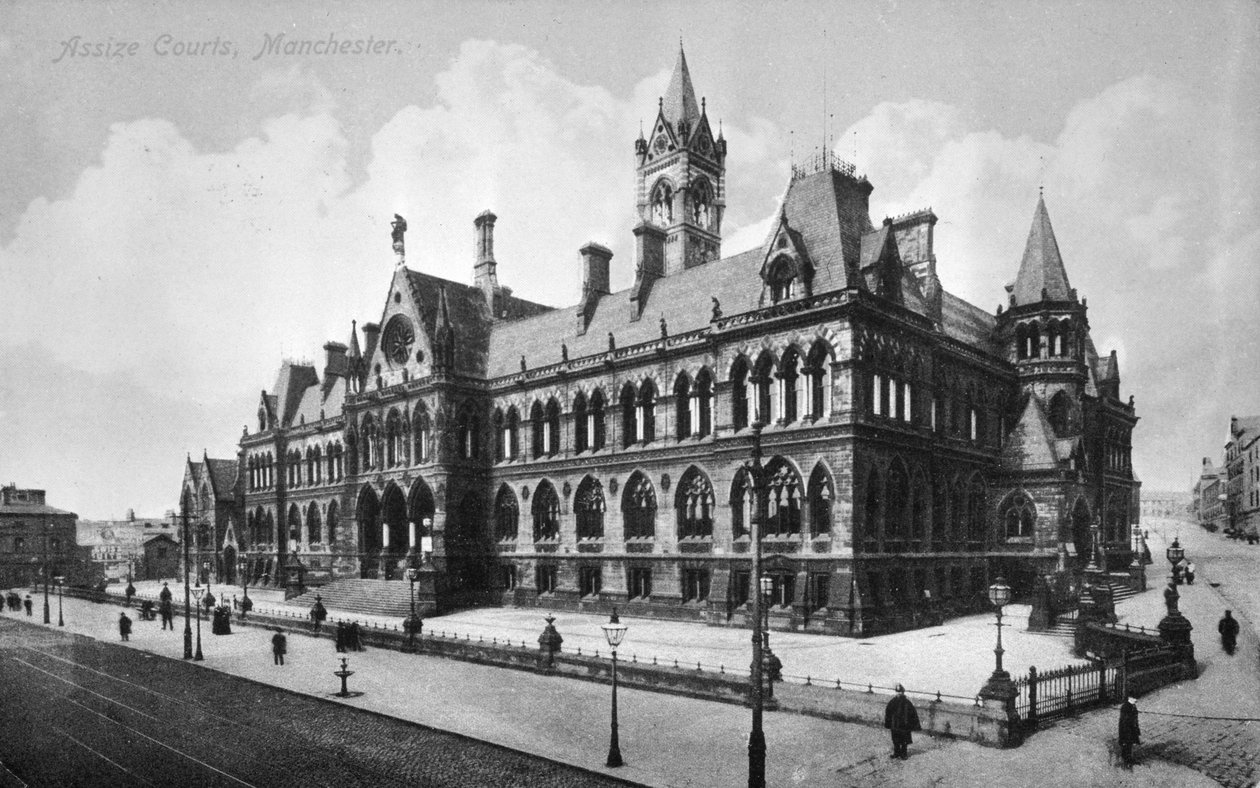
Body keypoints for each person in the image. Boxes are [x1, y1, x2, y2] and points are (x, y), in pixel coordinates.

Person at [883, 684, 921, 760]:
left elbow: (913, 714)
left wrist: (914, 725)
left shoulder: (907, 703)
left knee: (904, 741)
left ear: (903, 692)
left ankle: (904, 754)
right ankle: (896, 753)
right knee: (895, 740)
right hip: (895, 725)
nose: (899, 693)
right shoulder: (892, 702)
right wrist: (888, 723)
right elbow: (888, 713)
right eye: (897, 692)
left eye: (900, 692)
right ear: (896, 692)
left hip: (904, 725)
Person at [1118, 696, 1140, 766]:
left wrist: (1137, 729)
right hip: (1126, 729)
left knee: (1130, 744)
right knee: (1127, 743)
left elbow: (1135, 718)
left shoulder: (1133, 706)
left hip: (1132, 728)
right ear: (1130, 698)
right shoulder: (1125, 707)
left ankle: (1129, 759)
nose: (1136, 700)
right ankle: (1126, 760)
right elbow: (1124, 721)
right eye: (1134, 698)